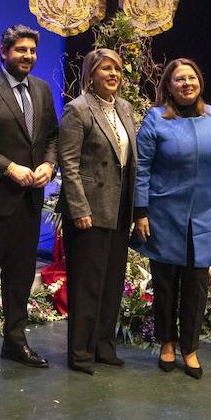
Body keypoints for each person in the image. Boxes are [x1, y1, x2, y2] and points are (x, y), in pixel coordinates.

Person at [133, 58, 211, 379]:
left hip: (204, 216)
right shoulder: (155, 120)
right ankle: (167, 343)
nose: (186, 84)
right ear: (168, 85)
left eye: (191, 78)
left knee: (196, 286)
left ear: (200, 83)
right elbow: (142, 169)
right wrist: (141, 211)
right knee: (165, 285)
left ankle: (190, 348)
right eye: (179, 79)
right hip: (163, 215)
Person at [0, 25, 59, 376]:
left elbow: (52, 135)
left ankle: (15, 342)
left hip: (29, 201)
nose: (28, 56)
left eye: (32, 51)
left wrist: (49, 163)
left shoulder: (41, 89)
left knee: (20, 278)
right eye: (21, 50)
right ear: (4, 52)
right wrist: (9, 169)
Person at [57, 48, 139, 374]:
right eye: (106, 69)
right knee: (87, 285)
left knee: (112, 283)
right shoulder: (77, 111)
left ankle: (104, 346)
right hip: (89, 210)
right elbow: (69, 164)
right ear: (91, 74)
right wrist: (79, 208)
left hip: (119, 208)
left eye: (117, 70)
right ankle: (80, 353)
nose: (113, 75)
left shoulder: (126, 108)